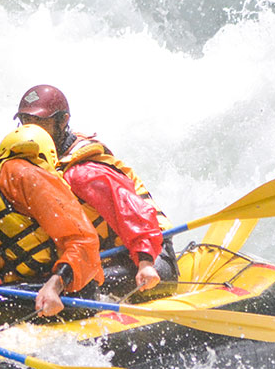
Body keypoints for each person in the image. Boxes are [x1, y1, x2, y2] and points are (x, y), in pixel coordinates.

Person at [0, 104, 102, 317]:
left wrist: (55, 284)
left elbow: (82, 240)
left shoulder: (19, 175)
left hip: (66, 290)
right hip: (18, 289)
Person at [14, 84, 176, 291]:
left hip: (151, 255)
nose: (32, 130)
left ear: (62, 121)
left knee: (80, 288)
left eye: (40, 122)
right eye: (26, 121)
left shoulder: (84, 172)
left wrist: (145, 263)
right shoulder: (39, 163)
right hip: (107, 259)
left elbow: (134, 214)